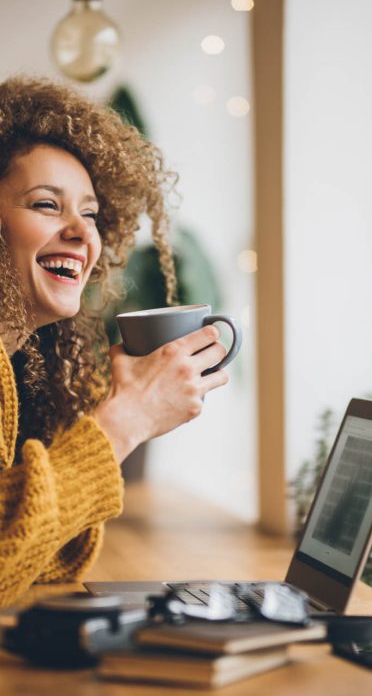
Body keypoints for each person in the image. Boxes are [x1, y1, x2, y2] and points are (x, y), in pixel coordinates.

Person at [0, 76, 228, 608]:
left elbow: (40, 551)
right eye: (46, 205)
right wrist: (125, 422)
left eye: (92, 213)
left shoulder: (25, 367)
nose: (82, 233)